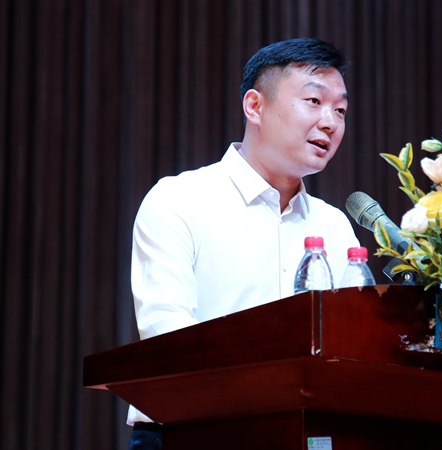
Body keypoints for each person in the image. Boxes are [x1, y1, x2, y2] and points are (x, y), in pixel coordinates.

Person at [127, 37, 360, 449]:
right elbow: (168, 334)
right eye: (313, 101)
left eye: (340, 110)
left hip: (302, 434)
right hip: (191, 432)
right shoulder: (179, 200)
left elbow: (350, 347)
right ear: (255, 106)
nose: (330, 122)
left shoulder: (335, 225)